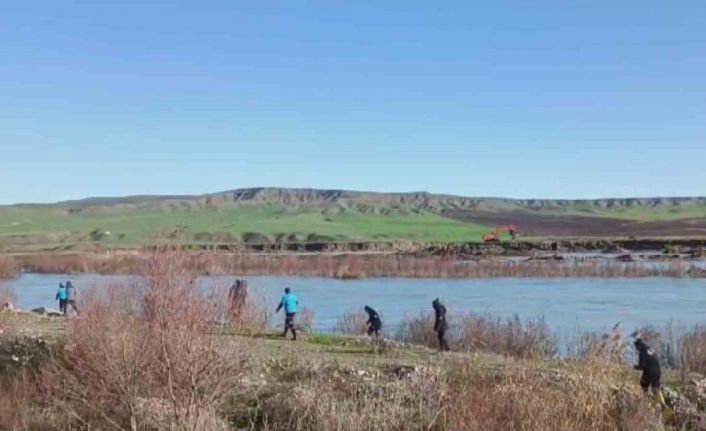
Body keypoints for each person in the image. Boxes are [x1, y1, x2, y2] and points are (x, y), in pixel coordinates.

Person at [634, 338, 666, 405]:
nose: (636, 349)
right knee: (656, 388)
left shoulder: (642, 351)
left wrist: (636, 367)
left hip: (650, 372)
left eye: (636, 347)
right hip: (657, 371)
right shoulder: (650, 349)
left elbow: (642, 365)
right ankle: (663, 403)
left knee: (643, 384)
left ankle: (646, 401)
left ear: (639, 345)